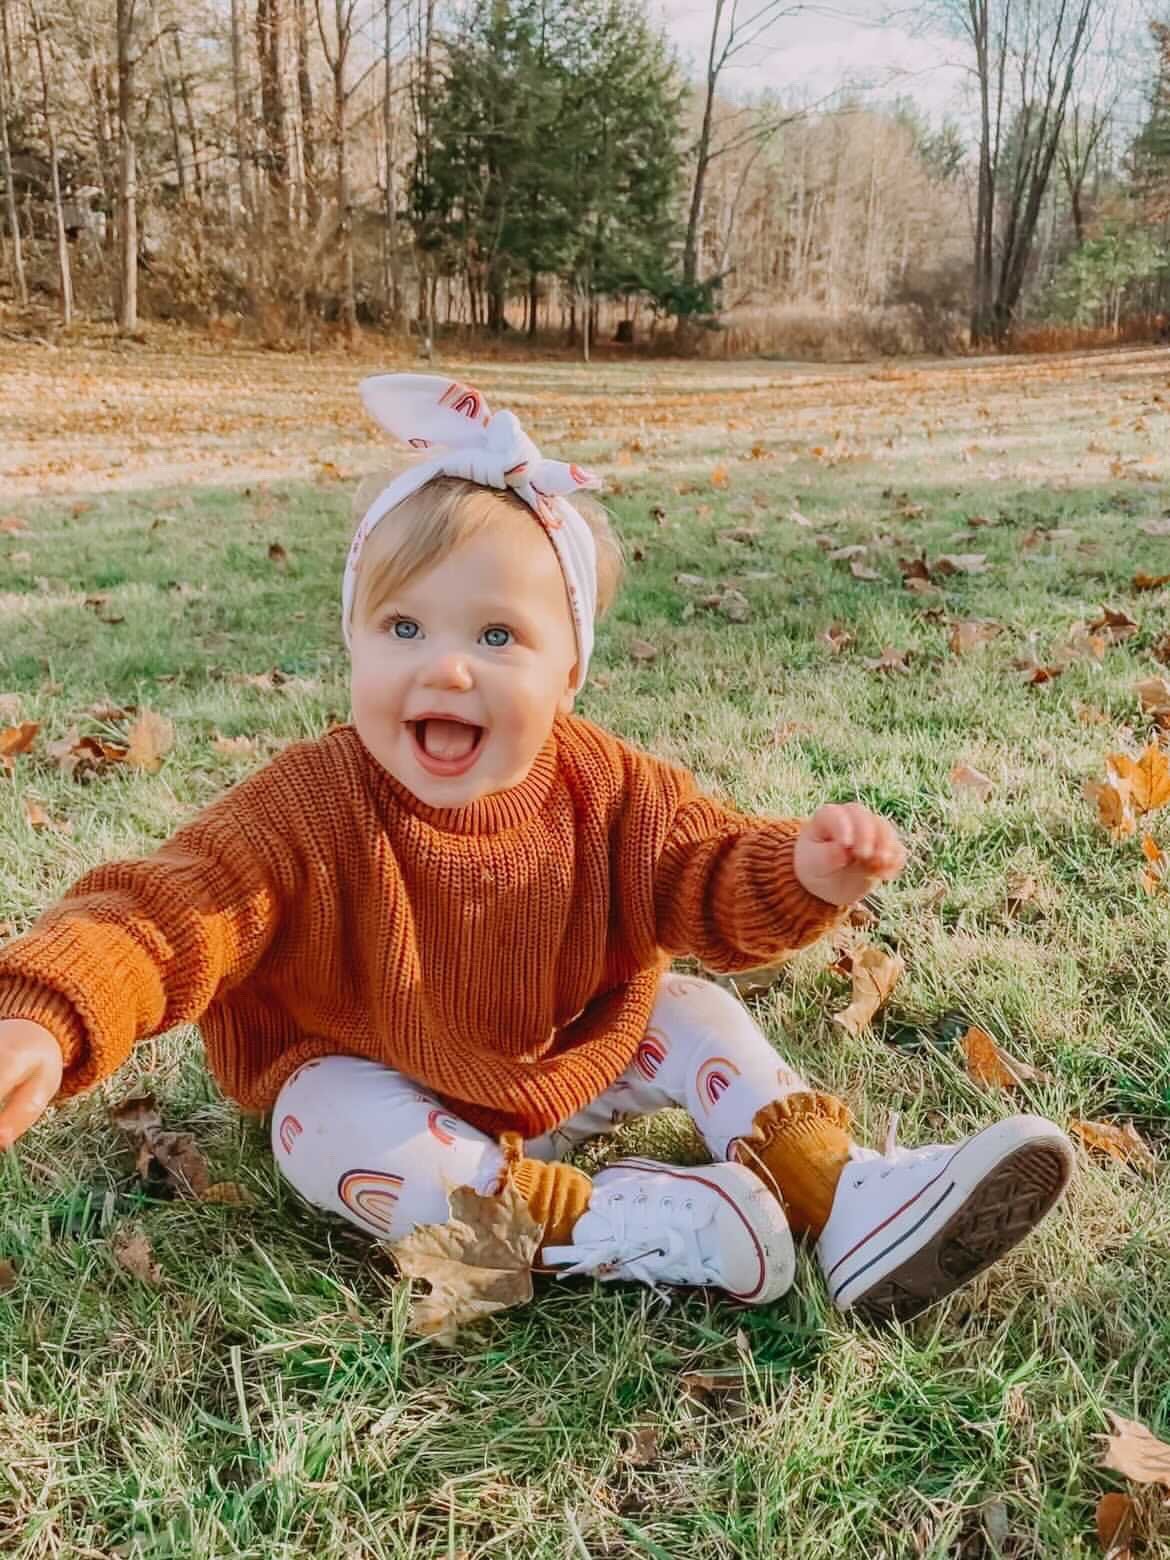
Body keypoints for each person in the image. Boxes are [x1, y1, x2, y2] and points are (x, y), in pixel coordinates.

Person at [0, 375, 1074, 1320]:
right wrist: (47, 1015)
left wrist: (799, 871)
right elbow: (166, 912)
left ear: (569, 676)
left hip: (563, 1067)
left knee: (689, 1009)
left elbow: (700, 874)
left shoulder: (604, 787)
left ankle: (843, 1200)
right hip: (388, 1097)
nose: (446, 669)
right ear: (355, 641)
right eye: (403, 629)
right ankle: (610, 1226)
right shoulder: (310, 806)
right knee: (312, 1118)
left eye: (497, 636)